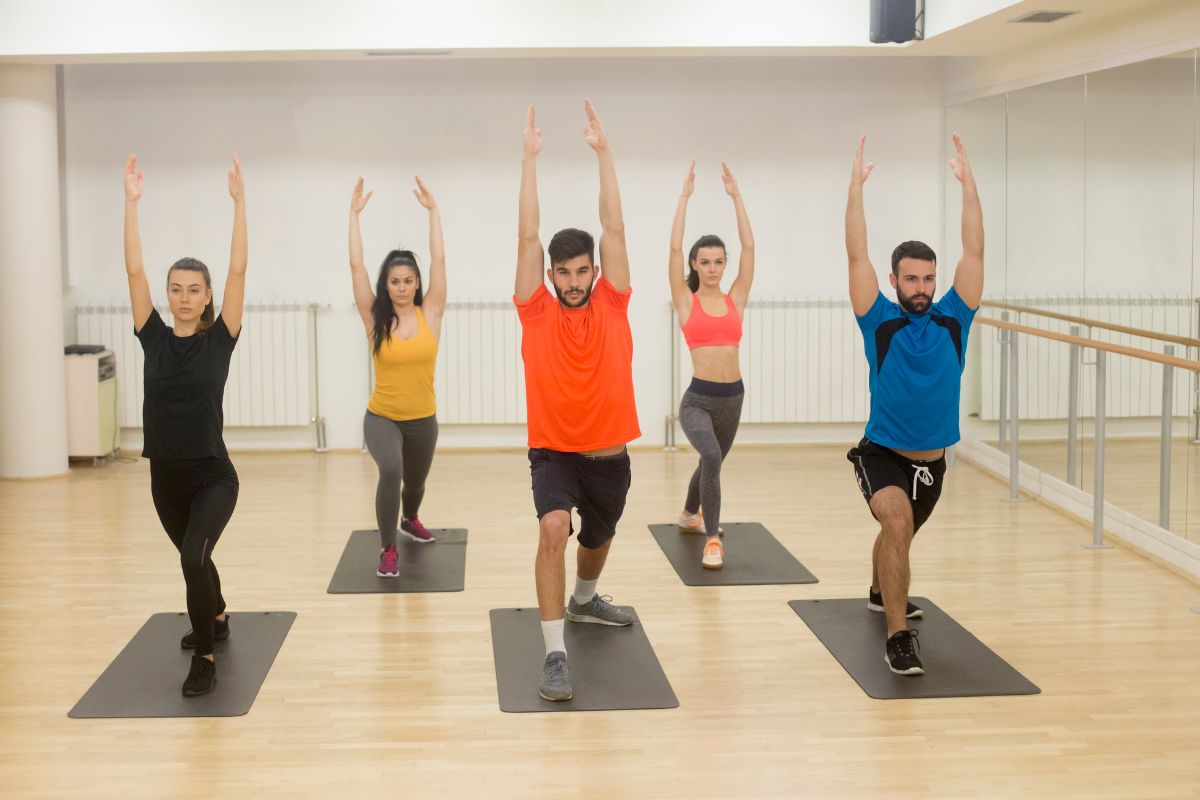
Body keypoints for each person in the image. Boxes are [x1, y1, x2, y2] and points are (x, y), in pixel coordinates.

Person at [514, 101, 640, 701]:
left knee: (599, 539)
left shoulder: (613, 302)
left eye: (579, 271)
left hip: (610, 455)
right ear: (551, 274)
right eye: (561, 272)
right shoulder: (535, 309)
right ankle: (555, 654)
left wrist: (604, 153)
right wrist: (529, 160)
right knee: (553, 531)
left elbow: (614, 228)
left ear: (593, 271)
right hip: (554, 452)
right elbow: (527, 235)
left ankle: (586, 602)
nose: (570, 281)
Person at [844, 133, 983, 675]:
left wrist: (969, 184)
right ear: (895, 280)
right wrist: (854, 189)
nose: (921, 287)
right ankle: (897, 637)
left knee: (896, 537)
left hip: (934, 463)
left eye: (928, 278)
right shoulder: (878, 320)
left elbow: (975, 250)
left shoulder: (955, 318)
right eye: (912, 279)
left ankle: (881, 593)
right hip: (882, 453)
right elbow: (856, 251)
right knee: (897, 525)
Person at [123, 152, 248, 696]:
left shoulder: (219, 339)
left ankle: (204, 655)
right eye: (176, 288)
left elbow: (240, 269)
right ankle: (216, 615)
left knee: (194, 555)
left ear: (208, 296)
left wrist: (240, 205)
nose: (184, 297)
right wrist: (131, 205)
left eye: (194, 289)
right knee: (192, 557)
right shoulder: (151, 336)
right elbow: (133, 271)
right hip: (164, 477)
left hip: (213, 475)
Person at [348, 176, 447, 577]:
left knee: (415, 484)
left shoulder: (431, 314)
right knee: (391, 469)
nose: (402, 287)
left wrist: (433, 213)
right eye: (394, 281)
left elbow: (439, 261)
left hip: (423, 419)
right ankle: (389, 548)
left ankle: (411, 518)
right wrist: (353, 216)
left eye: (408, 281)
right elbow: (356, 265)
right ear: (385, 285)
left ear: (417, 283)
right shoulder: (376, 318)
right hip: (382, 417)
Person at [669, 161, 755, 570]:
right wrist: (683, 198)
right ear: (694, 265)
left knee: (710, 460)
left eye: (719, 261)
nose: (713, 268)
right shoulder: (687, 302)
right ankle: (712, 540)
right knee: (712, 458)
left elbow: (751, 249)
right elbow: (671, 249)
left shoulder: (735, 298)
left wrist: (737, 197)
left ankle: (689, 512)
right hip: (698, 400)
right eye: (704, 262)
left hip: (733, 398)